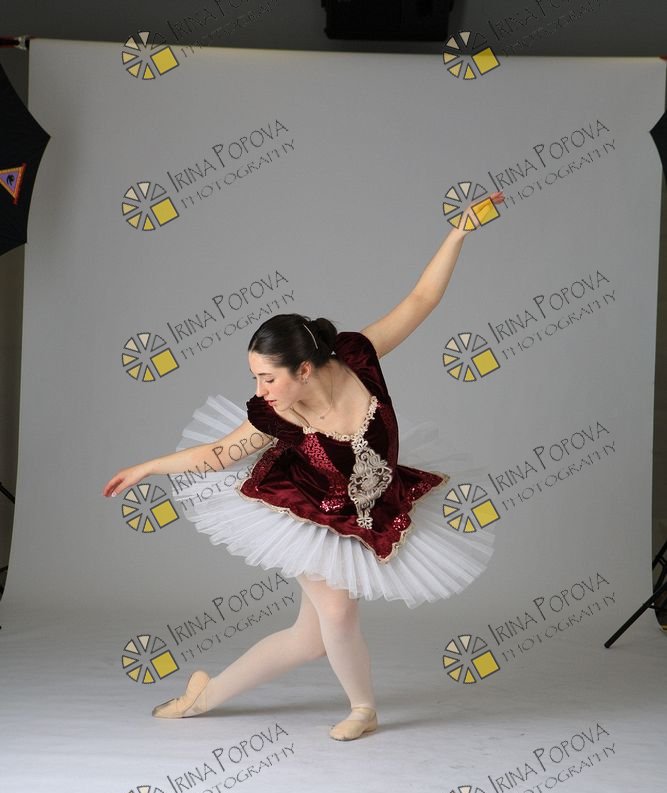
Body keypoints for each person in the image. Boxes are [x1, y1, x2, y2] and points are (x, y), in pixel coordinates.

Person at [102, 192, 504, 740]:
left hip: (368, 503)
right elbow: (217, 454)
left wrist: (459, 231)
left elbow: (421, 299)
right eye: (255, 377)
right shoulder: (277, 413)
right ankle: (363, 709)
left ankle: (205, 696)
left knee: (310, 639)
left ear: (307, 368)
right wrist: (149, 466)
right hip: (305, 508)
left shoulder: (358, 356)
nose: (260, 389)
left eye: (268, 377)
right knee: (337, 617)